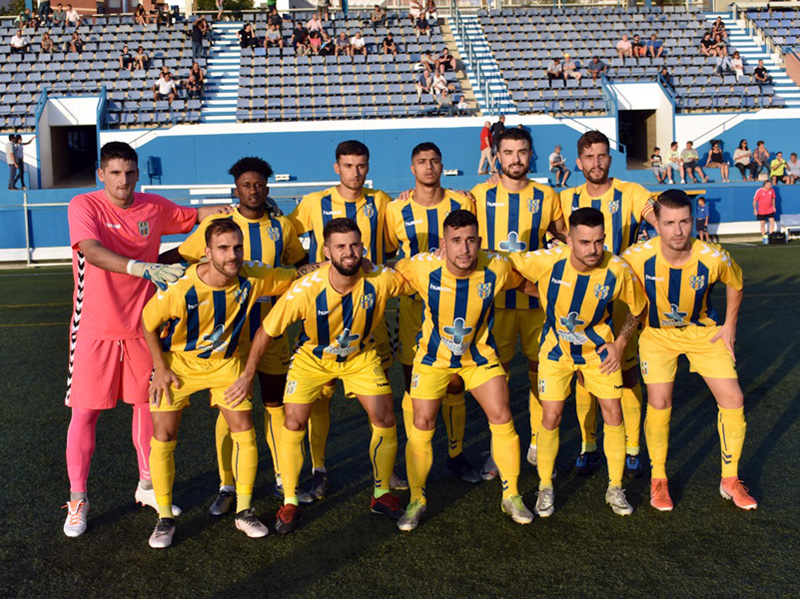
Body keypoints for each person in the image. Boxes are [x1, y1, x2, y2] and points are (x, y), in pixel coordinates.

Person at [61, 141, 230, 538]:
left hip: (143, 329)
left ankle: (148, 486)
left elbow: (198, 216)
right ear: (101, 174)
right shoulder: (83, 206)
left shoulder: (152, 206)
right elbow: (92, 251)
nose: (123, 181)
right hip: (94, 329)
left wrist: (242, 203)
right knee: (85, 413)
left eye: (130, 172)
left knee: (146, 407)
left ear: (138, 173)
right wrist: (141, 267)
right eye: (115, 173)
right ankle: (77, 499)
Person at [226, 218, 408, 534]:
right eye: (341, 247)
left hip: (359, 356)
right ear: (326, 252)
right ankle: (291, 501)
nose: (349, 252)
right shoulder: (306, 290)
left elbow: (418, 279)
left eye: (354, 245)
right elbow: (266, 331)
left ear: (363, 247)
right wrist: (246, 375)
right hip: (313, 359)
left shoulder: (381, 279)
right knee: (293, 422)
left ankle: (381, 494)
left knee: (385, 417)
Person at [142, 220, 299, 548]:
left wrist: (329, 263)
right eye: (224, 249)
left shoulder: (251, 277)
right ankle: (165, 519)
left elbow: (294, 275)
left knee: (244, 430)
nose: (232, 255)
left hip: (226, 364)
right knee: (163, 435)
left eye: (237, 247)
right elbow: (147, 324)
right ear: (207, 252)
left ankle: (244, 511)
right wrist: (159, 368)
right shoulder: (181, 286)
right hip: (179, 366)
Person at [170, 158, 310, 514]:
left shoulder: (282, 226)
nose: (253, 190)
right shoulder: (218, 227)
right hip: (229, 338)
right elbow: (187, 260)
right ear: (236, 189)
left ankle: (283, 478)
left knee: (275, 406)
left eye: (259, 184)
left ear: (267, 187)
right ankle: (226, 484)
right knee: (229, 410)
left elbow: (297, 266)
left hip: (273, 331)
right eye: (246, 185)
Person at [392, 210, 534, 530]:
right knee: (422, 423)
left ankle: (511, 495)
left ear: (479, 242)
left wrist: (560, 300)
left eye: (470, 240)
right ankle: (417, 498)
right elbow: (385, 278)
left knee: (502, 415)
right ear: (443, 245)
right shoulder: (421, 267)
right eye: (456, 241)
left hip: (479, 357)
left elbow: (525, 283)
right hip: (432, 359)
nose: (464, 248)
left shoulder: (495, 266)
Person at [622, 190, 756, 512]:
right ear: (657, 223)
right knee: (659, 401)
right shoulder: (636, 256)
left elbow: (736, 283)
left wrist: (730, 325)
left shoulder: (713, 256)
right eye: (668, 223)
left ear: (692, 220)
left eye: (684, 221)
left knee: (734, 399)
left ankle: (730, 479)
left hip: (703, 334)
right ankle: (659, 479)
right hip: (657, 336)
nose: (678, 230)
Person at [510, 207, 647, 517]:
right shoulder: (547, 260)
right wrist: (538, 291)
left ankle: (615, 487)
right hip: (555, 353)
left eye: (599, 241)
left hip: (598, 353)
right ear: (569, 240)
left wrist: (620, 343)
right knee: (551, 417)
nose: (593, 250)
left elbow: (638, 309)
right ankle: (545, 486)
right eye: (585, 242)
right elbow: (506, 265)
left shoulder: (617, 269)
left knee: (613, 412)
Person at [287, 141, 394, 498]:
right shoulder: (314, 203)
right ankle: (319, 467)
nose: (355, 172)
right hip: (324, 314)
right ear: (337, 168)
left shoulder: (381, 201)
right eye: (348, 166)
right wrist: (304, 267)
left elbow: (396, 242)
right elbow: (286, 237)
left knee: (379, 399)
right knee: (320, 398)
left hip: (369, 313)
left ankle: (385, 472)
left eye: (361, 165)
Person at [559, 130, 657, 478]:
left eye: (602, 156)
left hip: (622, 301)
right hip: (582, 305)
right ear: (579, 162)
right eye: (589, 157)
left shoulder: (632, 192)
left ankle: (632, 448)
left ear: (609, 159)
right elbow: (552, 232)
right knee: (586, 377)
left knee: (628, 374)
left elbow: (660, 219)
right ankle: (588, 444)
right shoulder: (565, 198)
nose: (596, 163)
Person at [472, 128, 567, 477]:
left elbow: (563, 236)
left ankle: (538, 446)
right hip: (492, 306)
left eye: (522, 151)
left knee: (539, 375)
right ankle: (500, 450)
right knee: (497, 380)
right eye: (508, 152)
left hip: (535, 305)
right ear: (497, 156)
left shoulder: (547, 195)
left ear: (531, 155)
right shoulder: (479, 195)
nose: (516, 158)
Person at [384, 144, 480, 483]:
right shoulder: (395, 210)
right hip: (414, 309)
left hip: (457, 309)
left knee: (454, 382)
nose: (429, 167)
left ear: (442, 165)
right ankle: (415, 452)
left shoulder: (462, 202)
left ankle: (456, 454)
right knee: (414, 384)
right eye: (422, 162)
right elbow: (387, 256)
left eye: (434, 161)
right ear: (412, 168)